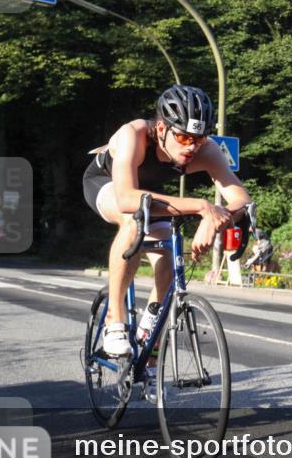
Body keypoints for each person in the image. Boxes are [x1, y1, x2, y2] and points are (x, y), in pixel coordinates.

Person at [82, 84, 251, 360]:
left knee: (172, 253)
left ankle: (149, 336)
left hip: (151, 196)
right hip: (108, 184)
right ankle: (115, 318)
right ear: (162, 129)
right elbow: (126, 198)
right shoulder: (133, 135)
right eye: (184, 137)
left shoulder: (206, 150)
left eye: (199, 137)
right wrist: (202, 207)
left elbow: (241, 197)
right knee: (133, 220)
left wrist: (217, 219)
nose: (193, 147)